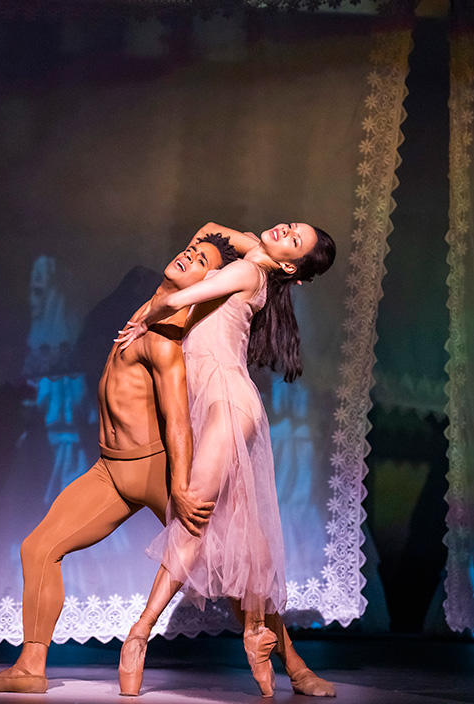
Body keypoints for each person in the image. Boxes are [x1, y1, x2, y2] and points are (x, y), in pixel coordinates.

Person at [0, 233, 333, 696]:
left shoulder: (165, 337)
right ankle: (30, 667)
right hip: (112, 471)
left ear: (210, 281)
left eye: (199, 260)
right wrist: (231, 248)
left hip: (155, 473)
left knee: (232, 567)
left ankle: (297, 667)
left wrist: (181, 486)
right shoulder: (148, 317)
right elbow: (207, 233)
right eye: (188, 250)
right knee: (38, 549)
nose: (189, 252)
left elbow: (179, 422)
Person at [115, 222, 336, 697]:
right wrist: (260, 246)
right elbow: (212, 229)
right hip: (215, 401)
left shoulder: (250, 276)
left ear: (288, 265)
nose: (284, 228)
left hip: (228, 403)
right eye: (292, 226)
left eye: (293, 239)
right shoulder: (257, 260)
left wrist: (142, 318)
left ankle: (139, 634)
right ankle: (259, 634)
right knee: (244, 528)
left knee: (194, 510)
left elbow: (176, 300)